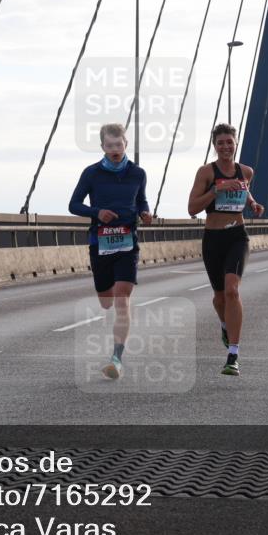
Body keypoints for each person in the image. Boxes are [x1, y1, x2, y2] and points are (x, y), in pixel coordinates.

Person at [69, 123, 152, 380]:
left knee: (121, 301)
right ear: (103, 147)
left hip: (127, 243)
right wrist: (97, 213)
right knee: (106, 301)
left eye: (119, 145)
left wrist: (145, 213)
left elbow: (141, 200)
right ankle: (116, 351)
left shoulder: (138, 173)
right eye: (110, 145)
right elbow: (74, 205)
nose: (115, 149)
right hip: (100, 243)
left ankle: (116, 358)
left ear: (126, 144)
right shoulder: (91, 174)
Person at [187, 123, 264, 376]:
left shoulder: (246, 171)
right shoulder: (206, 173)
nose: (225, 147)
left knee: (232, 291)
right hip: (213, 238)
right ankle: (224, 324)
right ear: (214, 145)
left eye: (229, 142)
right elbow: (192, 208)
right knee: (219, 297)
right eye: (220, 143)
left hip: (237, 236)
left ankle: (233, 354)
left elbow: (244, 190)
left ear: (235, 143)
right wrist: (216, 190)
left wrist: (252, 203)